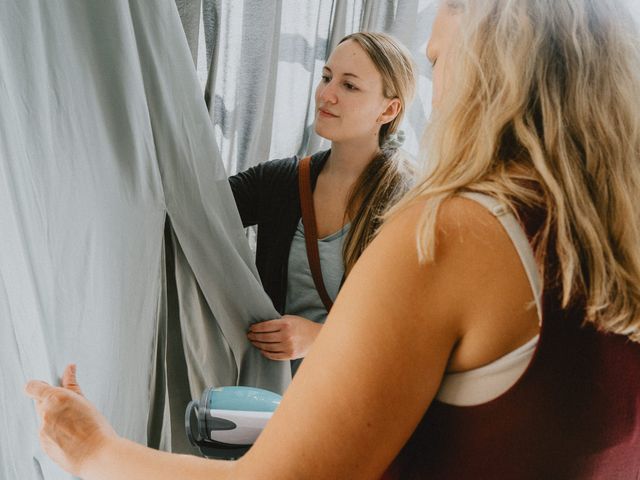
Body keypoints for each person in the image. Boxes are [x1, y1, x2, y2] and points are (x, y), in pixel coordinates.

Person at [25, 0, 640, 478]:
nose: (440, 88)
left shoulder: (449, 233)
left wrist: (93, 451)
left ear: (490, 71)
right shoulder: (607, 247)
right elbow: (197, 211)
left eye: (439, 60)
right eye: (327, 77)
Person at [230, 32, 416, 372]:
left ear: (389, 109)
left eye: (349, 86)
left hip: (352, 404)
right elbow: (192, 212)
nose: (326, 95)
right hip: (269, 398)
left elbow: (417, 328)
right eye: (327, 77)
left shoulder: (409, 204)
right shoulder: (278, 182)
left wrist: (319, 337)